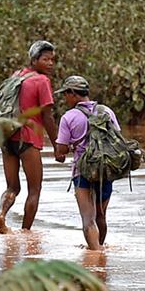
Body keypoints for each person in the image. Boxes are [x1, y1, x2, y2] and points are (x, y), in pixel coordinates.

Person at [0, 40, 59, 234]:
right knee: (34, 190)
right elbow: (47, 117)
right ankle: (25, 233)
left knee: (12, 187)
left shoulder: (16, 76)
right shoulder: (42, 81)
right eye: (45, 59)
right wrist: (57, 145)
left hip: (8, 138)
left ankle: (1, 215)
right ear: (34, 59)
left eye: (52, 60)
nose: (50, 63)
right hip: (28, 139)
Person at [53, 75, 121, 250]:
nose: (65, 98)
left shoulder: (69, 117)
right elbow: (118, 139)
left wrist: (67, 149)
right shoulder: (107, 111)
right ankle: (101, 251)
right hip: (106, 170)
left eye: (66, 94)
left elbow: (61, 149)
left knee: (88, 220)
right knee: (101, 216)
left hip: (82, 172)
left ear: (74, 94)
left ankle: (96, 257)